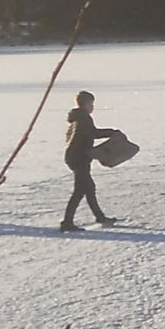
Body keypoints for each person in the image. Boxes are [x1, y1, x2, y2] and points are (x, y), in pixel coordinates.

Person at [62, 90, 121, 231]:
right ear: (85, 104)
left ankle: (99, 217)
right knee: (80, 190)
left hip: (78, 157)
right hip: (79, 158)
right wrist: (111, 132)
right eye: (91, 104)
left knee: (88, 188)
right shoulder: (83, 118)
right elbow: (92, 133)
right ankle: (67, 223)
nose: (92, 107)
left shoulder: (79, 118)